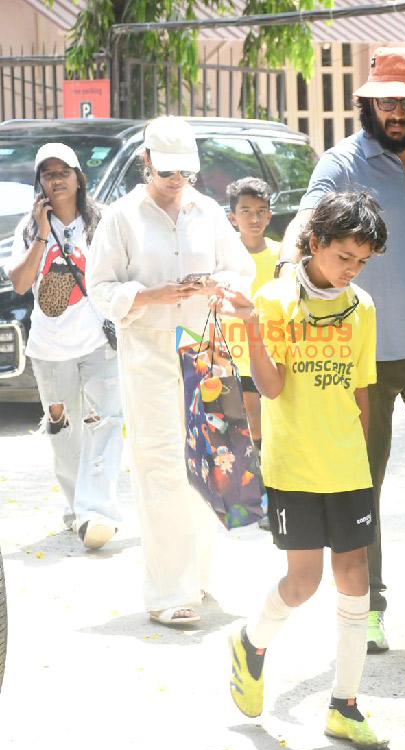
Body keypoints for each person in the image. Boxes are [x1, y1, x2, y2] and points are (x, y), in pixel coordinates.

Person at [279, 47, 405, 649]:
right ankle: (373, 603)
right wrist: (286, 276)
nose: (395, 111)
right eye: (385, 100)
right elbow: (307, 222)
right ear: (368, 102)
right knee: (365, 483)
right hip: (359, 356)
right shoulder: (342, 162)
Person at [214, 191, 389, 750]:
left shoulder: (361, 306)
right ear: (314, 243)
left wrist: (359, 456)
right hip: (293, 465)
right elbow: (269, 387)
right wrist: (256, 329)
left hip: (347, 464)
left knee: (355, 577)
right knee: (304, 582)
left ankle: (345, 704)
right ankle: (251, 641)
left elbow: (362, 390)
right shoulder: (272, 300)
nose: (351, 271)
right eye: (344, 257)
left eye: (361, 262)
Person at [87, 115, 255, 627]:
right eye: (166, 173)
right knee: (160, 463)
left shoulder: (207, 212)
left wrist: (216, 284)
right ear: (146, 164)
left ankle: (196, 578)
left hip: (205, 348)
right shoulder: (120, 217)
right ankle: (167, 591)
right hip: (148, 350)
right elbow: (99, 289)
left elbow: (240, 269)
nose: (177, 182)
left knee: (212, 460)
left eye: (185, 172)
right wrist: (148, 295)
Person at [8, 143, 123, 549]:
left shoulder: (104, 221)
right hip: (48, 350)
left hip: (98, 344)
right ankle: (80, 510)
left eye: (63, 172)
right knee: (63, 431)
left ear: (78, 178)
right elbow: (20, 284)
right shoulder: (28, 227)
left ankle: (100, 512)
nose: (55, 180)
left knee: (108, 423)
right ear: (39, 182)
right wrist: (41, 235)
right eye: (47, 173)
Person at [225, 176, 280, 449]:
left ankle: (268, 483)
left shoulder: (282, 257)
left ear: (269, 216)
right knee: (243, 426)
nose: (253, 219)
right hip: (231, 357)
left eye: (260, 212)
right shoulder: (221, 255)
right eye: (245, 212)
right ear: (232, 217)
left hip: (270, 356)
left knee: (266, 427)